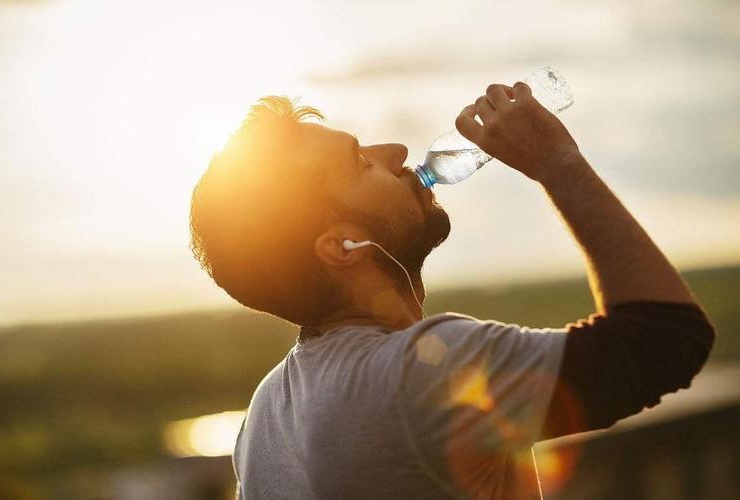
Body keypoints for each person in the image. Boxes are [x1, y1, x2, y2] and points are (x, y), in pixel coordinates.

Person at [189, 84, 715, 499]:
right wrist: (557, 161)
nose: (395, 151)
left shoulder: (263, 418)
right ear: (342, 247)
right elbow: (663, 340)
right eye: (360, 163)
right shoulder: (418, 374)